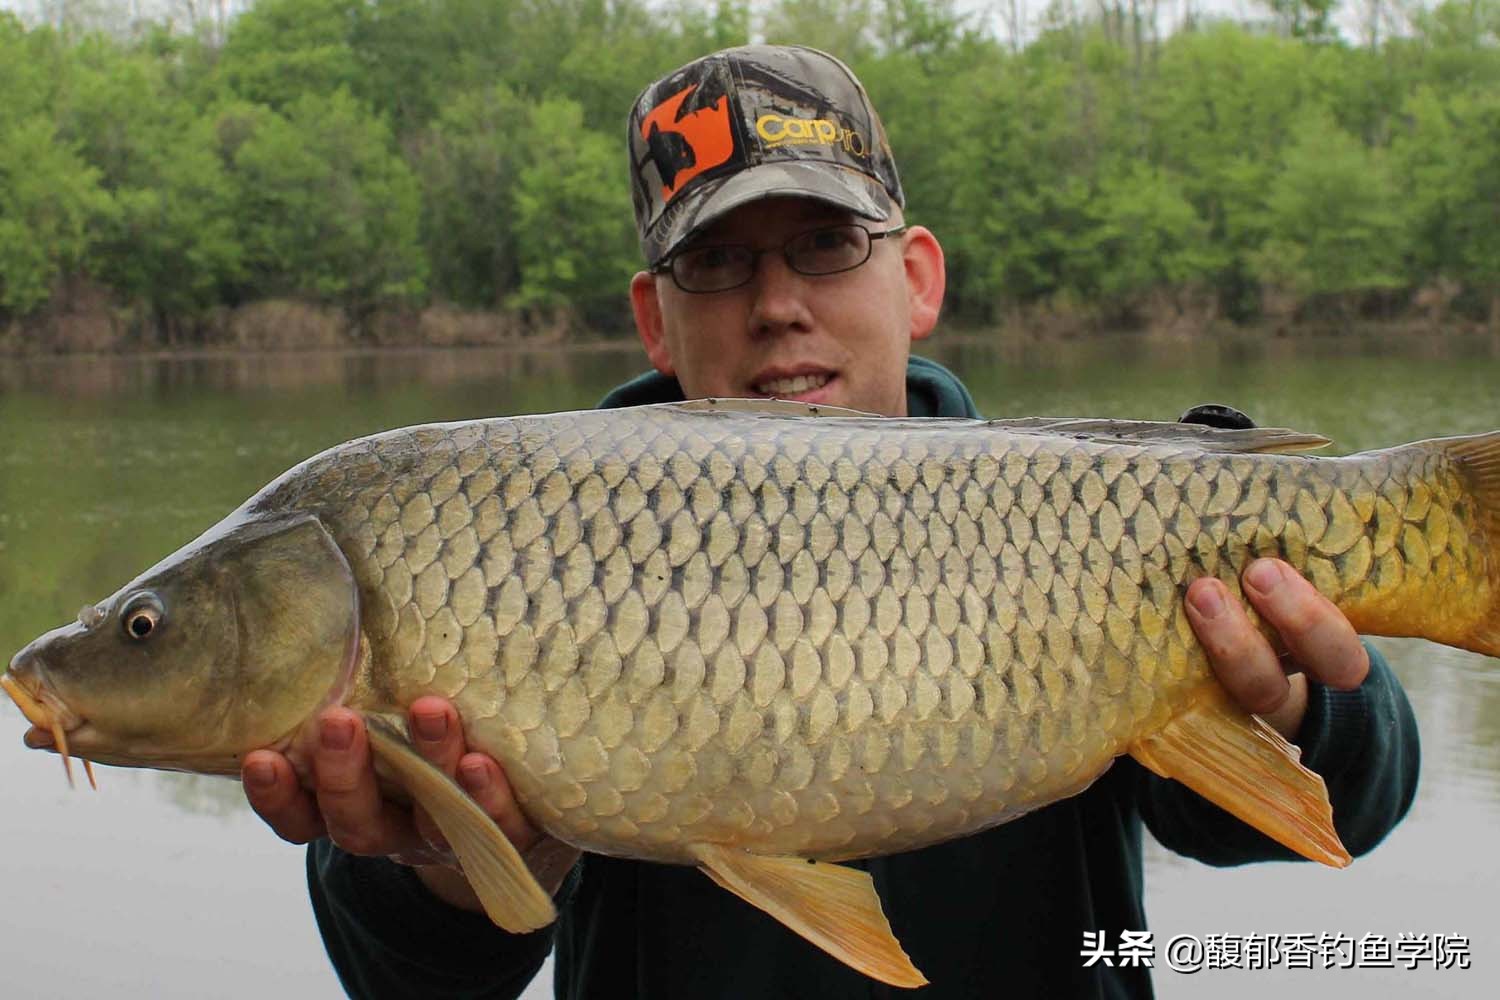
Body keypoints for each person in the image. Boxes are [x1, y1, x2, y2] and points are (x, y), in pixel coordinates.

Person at [241, 46, 1419, 998]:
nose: (779, 305)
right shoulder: (517, 536)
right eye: (719, 261)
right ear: (655, 319)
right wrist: (460, 863)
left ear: (914, 277)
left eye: (823, 244)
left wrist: (1312, 703)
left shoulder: (1079, 514)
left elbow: (1341, 805)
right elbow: (406, 981)